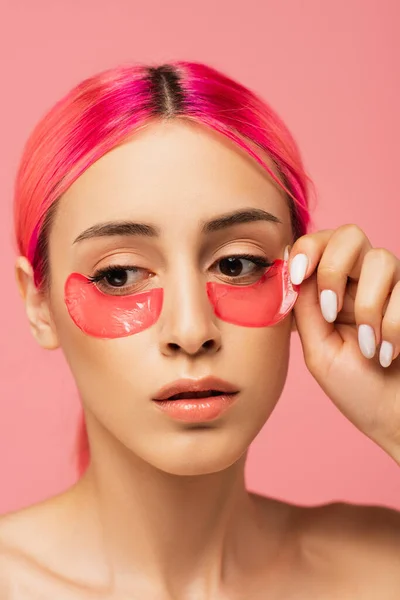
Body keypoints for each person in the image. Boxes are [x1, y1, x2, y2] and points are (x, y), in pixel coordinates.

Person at [1, 60, 399, 598]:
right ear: (37, 303)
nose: (191, 331)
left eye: (236, 265)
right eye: (119, 275)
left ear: (303, 278)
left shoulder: (382, 569)